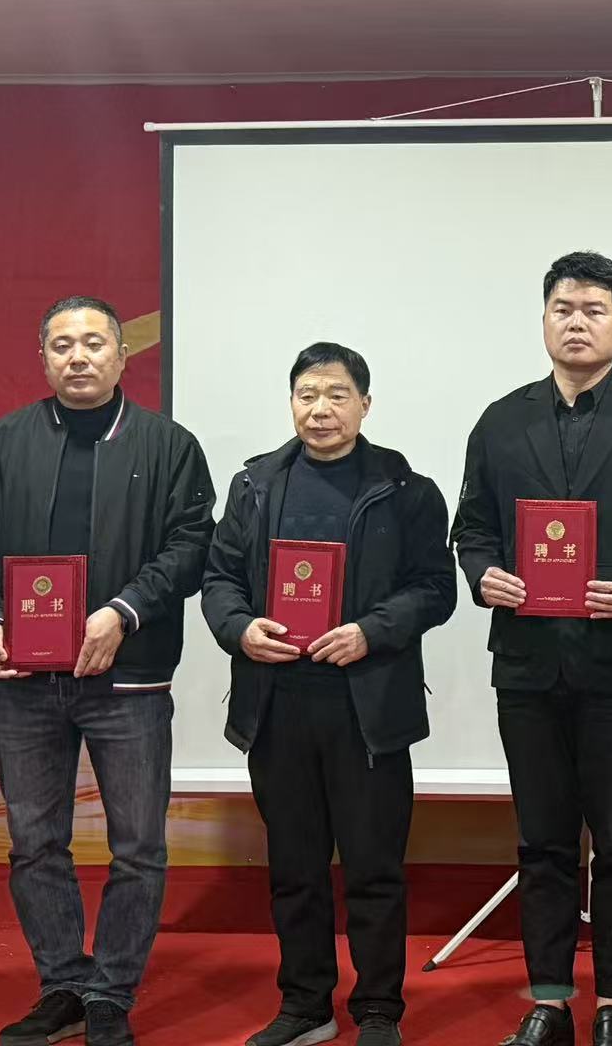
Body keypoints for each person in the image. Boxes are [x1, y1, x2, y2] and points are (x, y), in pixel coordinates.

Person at [452, 251, 612, 1046]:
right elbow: (472, 528)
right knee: (541, 840)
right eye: (563, 308)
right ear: (543, 321)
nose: (576, 322)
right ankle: (549, 1000)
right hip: (526, 663)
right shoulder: (501, 420)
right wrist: (483, 574)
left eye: (594, 309)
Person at [0, 296, 215, 1046]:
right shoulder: (5, 442)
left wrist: (123, 612)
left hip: (128, 680)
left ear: (121, 355)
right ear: (43, 359)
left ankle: (111, 993)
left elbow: (191, 546)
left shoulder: (168, 445)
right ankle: (62, 984)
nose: (78, 356)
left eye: (94, 342)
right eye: (62, 344)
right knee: (35, 843)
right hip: (25, 685)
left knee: (138, 847)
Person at [200, 342, 456, 1046]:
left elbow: (436, 589)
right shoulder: (253, 485)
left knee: (375, 870)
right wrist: (240, 628)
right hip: (277, 705)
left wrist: (372, 632)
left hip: (367, 709)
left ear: (365, 405)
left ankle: (378, 1010)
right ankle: (305, 1003)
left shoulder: (407, 490)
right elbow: (219, 579)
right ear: (291, 403)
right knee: (294, 869)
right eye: (307, 394)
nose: (321, 409)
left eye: (337, 395)